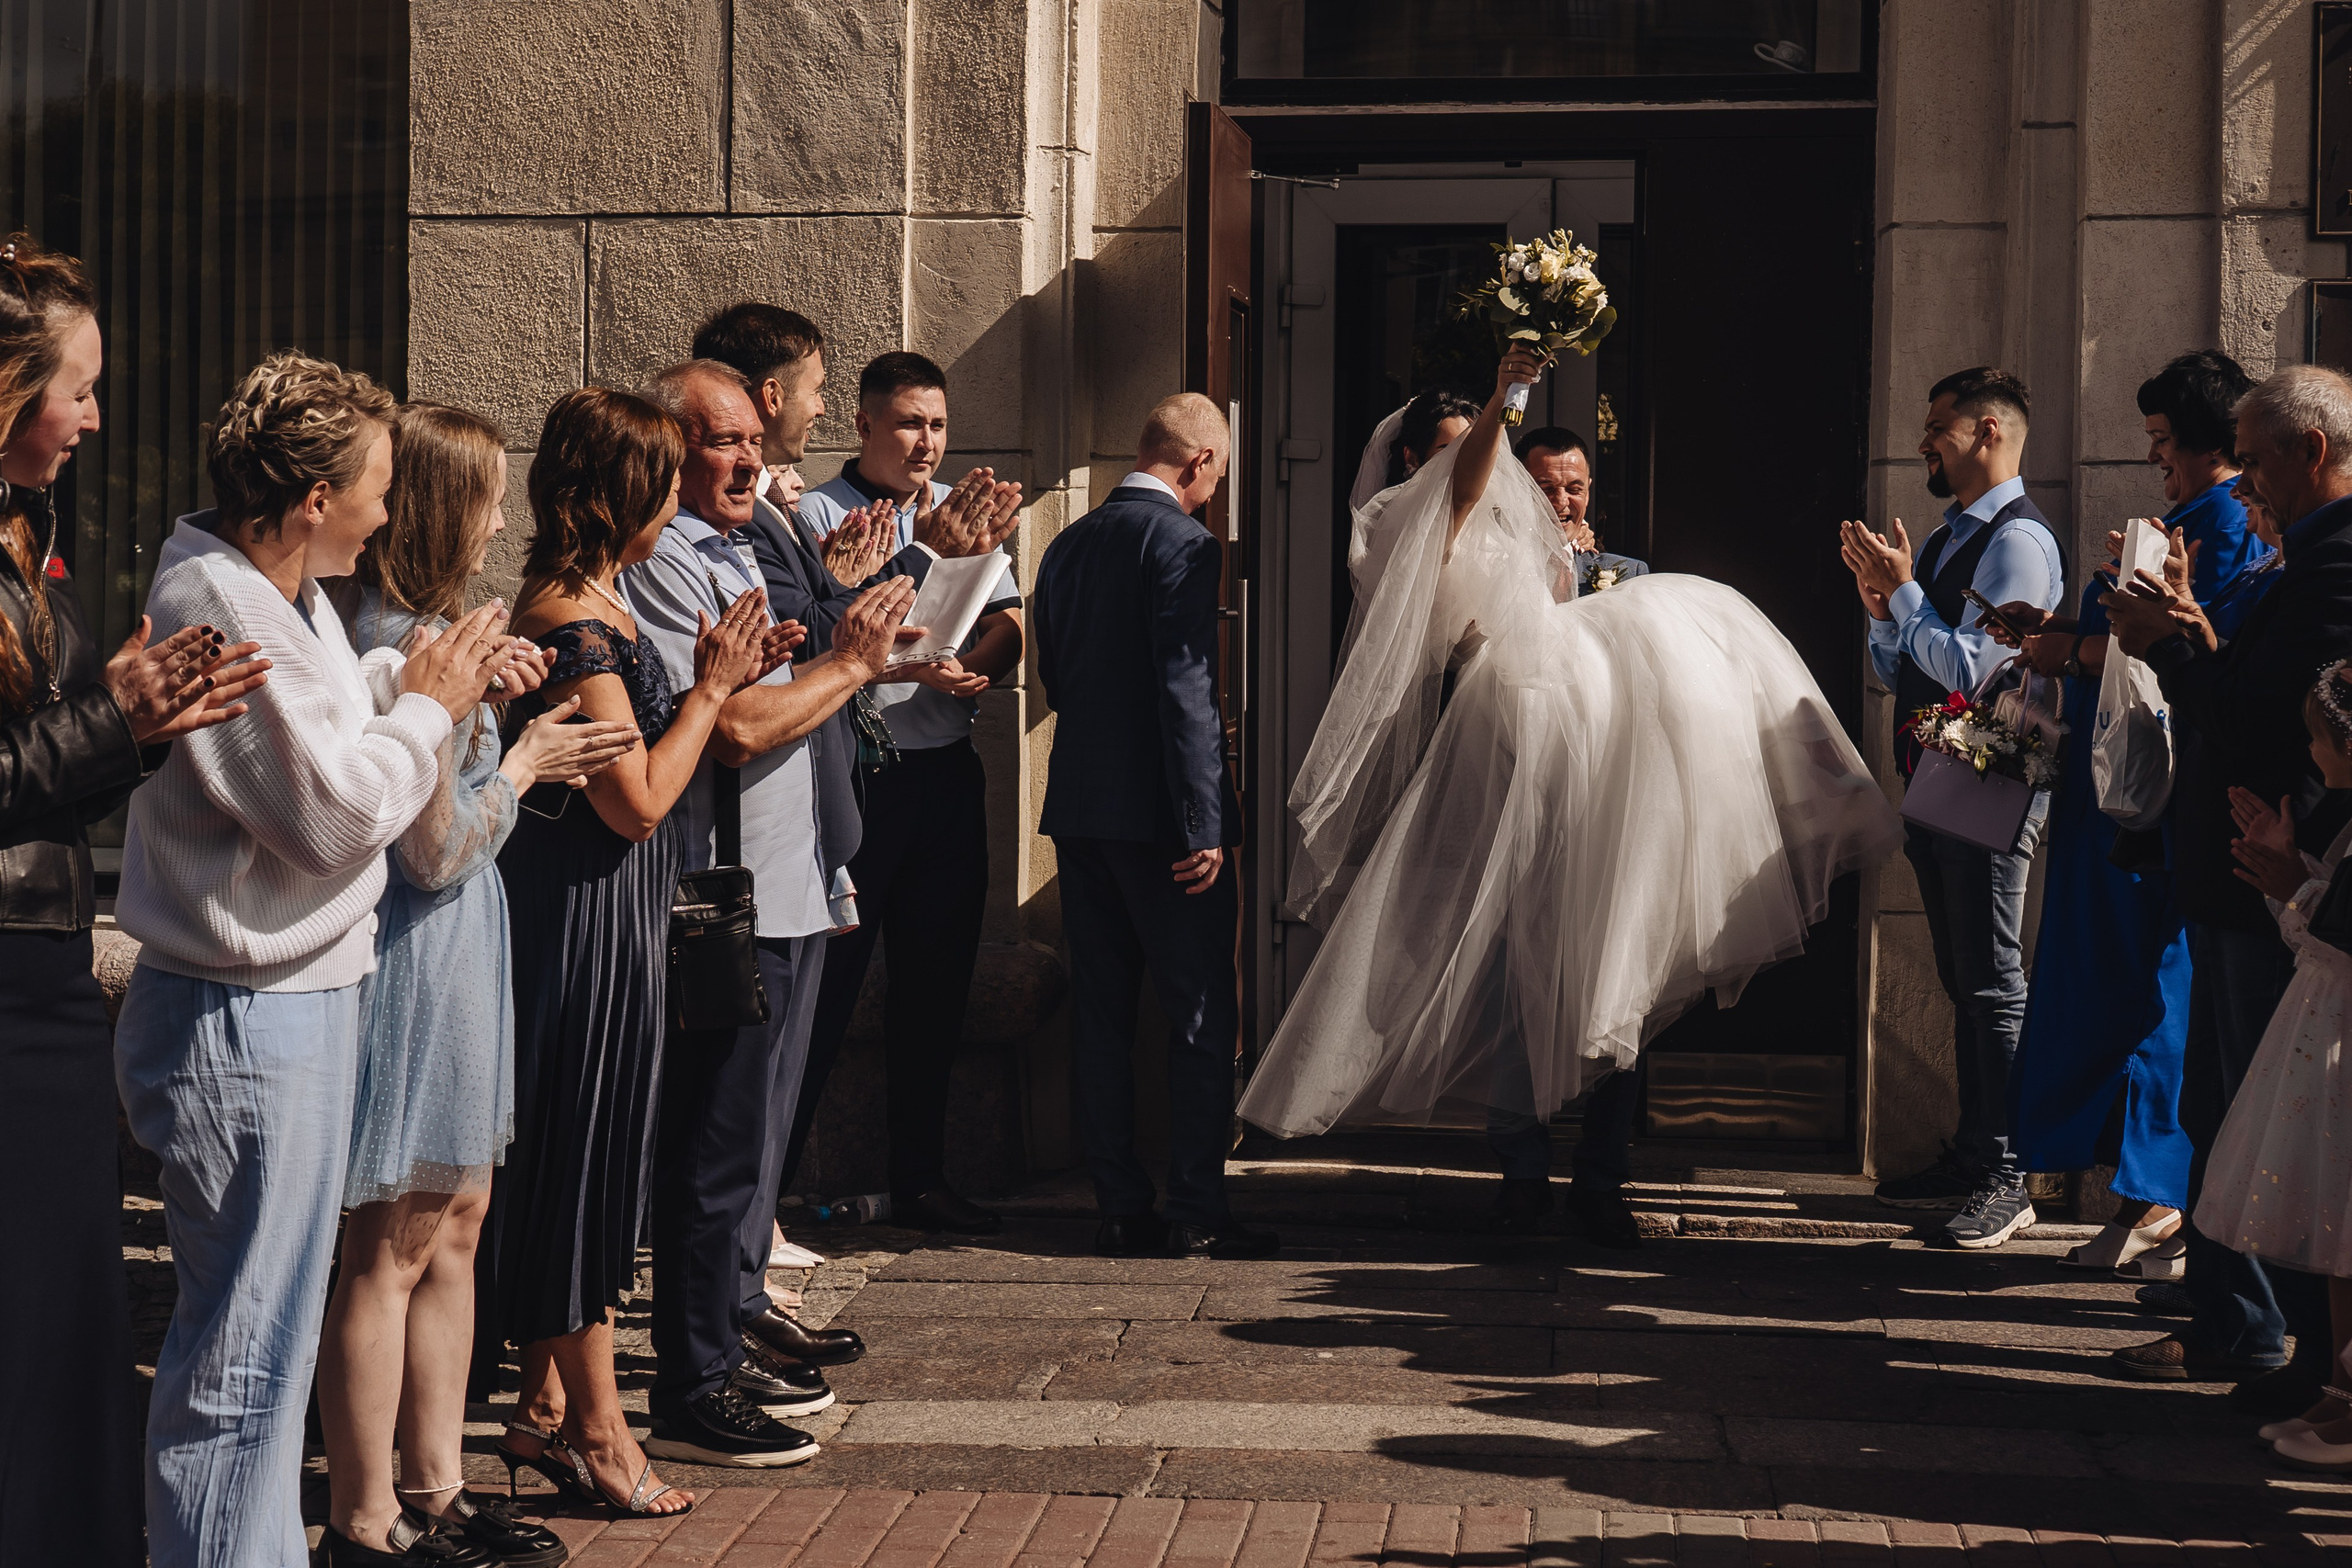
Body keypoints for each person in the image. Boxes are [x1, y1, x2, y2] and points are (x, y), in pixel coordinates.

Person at [1238, 349, 1899, 1181]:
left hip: (1597, 768)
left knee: (1620, 967)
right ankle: (1521, 1171)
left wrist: (1573, 571)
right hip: (1518, 760)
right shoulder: (1407, 525)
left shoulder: (1527, 533)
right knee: (1525, 984)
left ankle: (1600, 1171)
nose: (1485, 466)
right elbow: (1473, 487)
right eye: (1457, 448)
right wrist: (1505, 397)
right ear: (1416, 461)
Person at [115, 351, 514, 1568]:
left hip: (287, 1007)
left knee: (263, 1356)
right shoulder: (223, 604)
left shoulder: (281, 592)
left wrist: (407, 676)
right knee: (243, 1364)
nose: (392, 512)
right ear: (308, 501)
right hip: (249, 1019)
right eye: (378, 486)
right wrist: (431, 709)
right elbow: (335, 815)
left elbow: (332, 723)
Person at [316, 403, 636, 1565]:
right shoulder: (400, 644)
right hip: (418, 951)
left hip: (462, 951)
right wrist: (534, 760)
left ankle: (437, 1486)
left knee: (457, 1225)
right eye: (491, 497)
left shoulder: (436, 630)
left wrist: (499, 715)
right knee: (391, 1242)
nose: (504, 518)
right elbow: (434, 847)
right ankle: (365, 1517)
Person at [0, 234, 266, 1568]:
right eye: (79, 389)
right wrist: (111, 716)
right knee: (39, 1319)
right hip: (9, 985)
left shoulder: (18, 529)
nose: (98, 417)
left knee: (64, 1319)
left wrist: (126, 718)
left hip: (38, 972)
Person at [624, 359, 922, 1470]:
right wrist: (851, 662)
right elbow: (739, 725)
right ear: (668, 448)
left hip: (791, 875)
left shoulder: (749, 544)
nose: (749, 460)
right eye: (720, 442)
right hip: (722, 891)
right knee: (716, 1144)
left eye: (754, 439)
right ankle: (692, 1374)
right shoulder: (664, 558)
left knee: (754, 1142)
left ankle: (726, 1326)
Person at [478, 387, 765, 1520]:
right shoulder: (571, 615)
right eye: (662, 476)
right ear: (622, 491)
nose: (680, 494)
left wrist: (703, 673)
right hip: (580, 920)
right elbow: (636, 800)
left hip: (615, 916)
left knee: (600, 1155)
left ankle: (541, 1416)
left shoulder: (604, 597)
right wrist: (710, 691)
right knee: (580, 1166)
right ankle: (602, 1431)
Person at [2101, 363, 2352, 1404]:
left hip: (2274, 872)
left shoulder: (2338, 565)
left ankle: (2292, 1351)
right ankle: (2244, 1326)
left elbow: (2270, 718)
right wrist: (2195, 629)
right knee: (2225, 1104)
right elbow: (2251, 683)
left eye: (2256, 464)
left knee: (2270, 1119)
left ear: (2314, 451)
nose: (2245, 487)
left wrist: (2166, 650)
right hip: (2239, 870)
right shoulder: (2306, 555)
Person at [1996, 351, 2264, 1279]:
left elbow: (2169, 645)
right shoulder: (2189, 518)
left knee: (2154, 991)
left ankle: (2157, 1193)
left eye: (2163, 443)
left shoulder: (2220, 522)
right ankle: (2140, 1191)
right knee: (2122, 985)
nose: (2157, 461)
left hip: (2153, 801)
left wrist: (2064, 647)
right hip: (2124, 791)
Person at [791, 351, 1026, 1235]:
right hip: (859, 770)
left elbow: (1008, 618)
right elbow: (823, 632)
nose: (925, 442)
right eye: (907, 424)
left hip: (942, 774)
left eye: (936, 424)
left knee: (937, 982)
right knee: (829, 985)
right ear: (863, 425)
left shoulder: (960, 511)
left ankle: (920, 1174)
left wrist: (973, 665)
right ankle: (769, 1186)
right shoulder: (821, 512)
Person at [1034, 392, 1272, 1260]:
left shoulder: (1066, 542)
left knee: (1100, 1013)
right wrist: (1203, 818)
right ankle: (1198, 1207)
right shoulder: (1182, 542)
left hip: (1085, 811)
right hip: (1167, 823)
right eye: (1218, 474)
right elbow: (1187, 689)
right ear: (1199, 462)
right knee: (1201, 1009)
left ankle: (1119, 1205)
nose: (1214, 491)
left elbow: (1052, 672)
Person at [1842, 366, 2065, 1249]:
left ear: (1987, 433)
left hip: (1994, 776)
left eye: (1939, 426)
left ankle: (2012, 1173)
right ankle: (1978, 1150)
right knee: (1965, 978)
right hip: (1942, 775)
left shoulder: (2018, 542)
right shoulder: (1943, 537)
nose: (1925, 441)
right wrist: (1883, 605)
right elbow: (1906, 669)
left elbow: (1988, 672)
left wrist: (1903, 594)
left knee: (1995, 983)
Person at [2192, 662, 2352, 1466]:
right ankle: (2340, 1391)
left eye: (2319, 738)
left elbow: (2338, 929)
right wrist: (2287, 876)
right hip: (2325, 1026)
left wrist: (2296, 887)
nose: (2310, 751)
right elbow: (2318, 925)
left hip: (2343, 1033)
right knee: (2338, 1225)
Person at [1515, 424, 1649, 591]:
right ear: (1518, 487)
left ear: (1587, 493)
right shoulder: (1489, 568)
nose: (1562, 501)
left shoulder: (1629, 576)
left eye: (1574, 490)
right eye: (1546, 489)